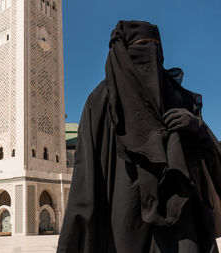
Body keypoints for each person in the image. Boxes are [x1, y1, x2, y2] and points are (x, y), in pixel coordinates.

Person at [57, 20, 221, 253]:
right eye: (141, 47)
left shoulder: (176, 97)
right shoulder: (102, 102)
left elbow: (213, 156)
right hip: (126, 226)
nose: (149, 56)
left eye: (155, 47)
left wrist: (197, 127)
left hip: (181, 226)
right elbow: (85, 179)